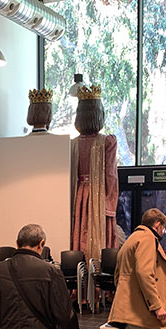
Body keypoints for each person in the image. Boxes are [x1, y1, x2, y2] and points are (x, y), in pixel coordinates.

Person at [71, 84, 119, 262]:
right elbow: (111, 176)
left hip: (78, 196)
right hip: (97, 197)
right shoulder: (107, 141)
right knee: (96, 240)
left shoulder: (72, 144)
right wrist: (110, 206)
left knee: (78, 235)